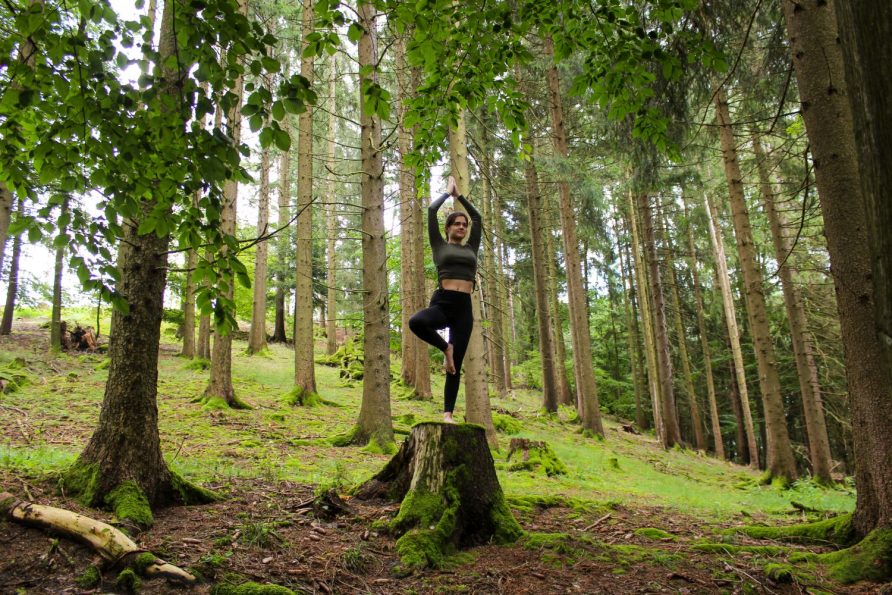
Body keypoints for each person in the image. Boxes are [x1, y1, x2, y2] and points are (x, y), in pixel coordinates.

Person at [409, 175, 482, 423]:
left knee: (456, 364)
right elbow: (431, 210)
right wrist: (448, 194)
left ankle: (448, 414)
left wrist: (460, 197)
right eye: (457, 224)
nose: (462, 227)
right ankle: (445, 348)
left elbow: (478, 218)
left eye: (464, 224)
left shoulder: (471, 247)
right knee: (416, 322)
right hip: (442, 302)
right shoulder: (439, 245)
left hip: (464, 308)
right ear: (448, 228)